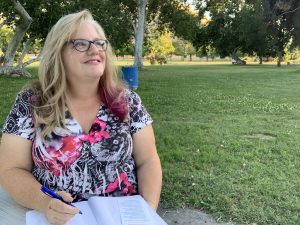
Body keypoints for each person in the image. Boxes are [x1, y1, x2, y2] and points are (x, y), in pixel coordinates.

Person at [0, 9, 162, 225]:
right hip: (53, 218)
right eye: (81, 43)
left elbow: (148, 160)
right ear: (58, 52)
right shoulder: (32, 102)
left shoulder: (127, 101)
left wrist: (146, 213)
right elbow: (11, 168)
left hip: (122, 217)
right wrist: (44, 201)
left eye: (99, 43)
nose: (94, 49)